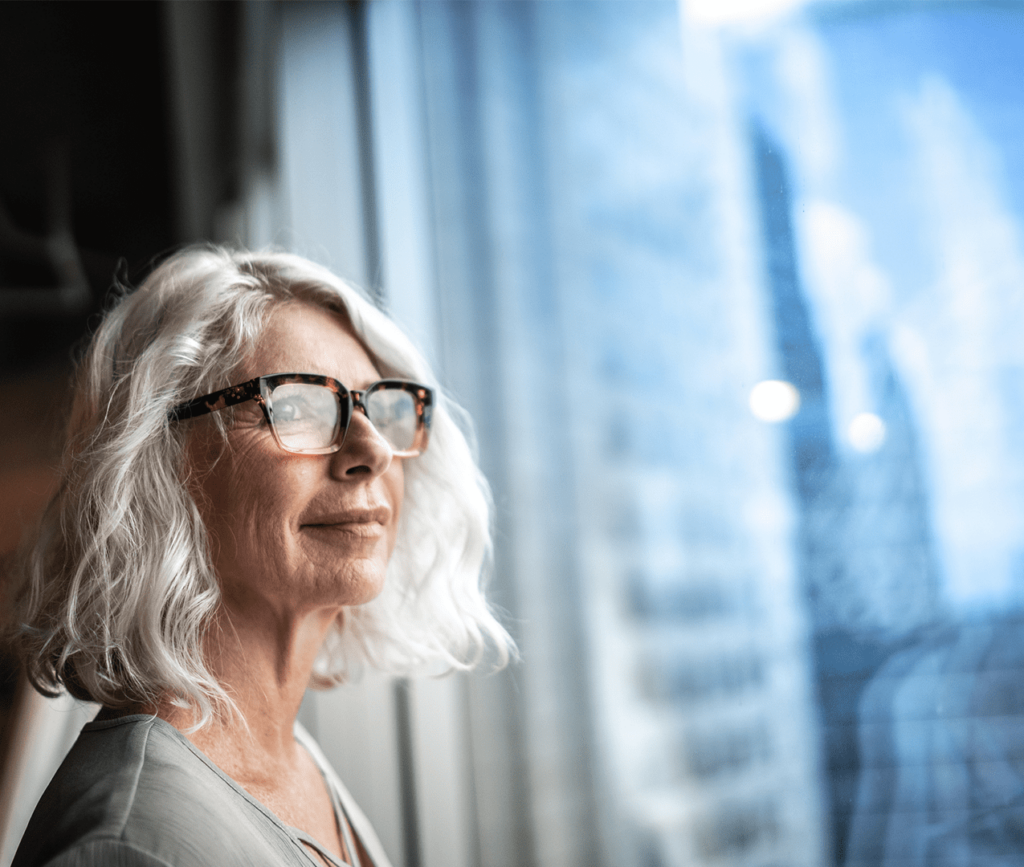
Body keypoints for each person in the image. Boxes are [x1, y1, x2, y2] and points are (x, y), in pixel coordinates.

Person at [7, 246, 514, 867]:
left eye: (381, 407)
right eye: (297, 407)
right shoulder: (134, 843)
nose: (373, 450)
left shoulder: (283, 760)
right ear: (160, 464)